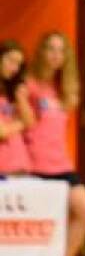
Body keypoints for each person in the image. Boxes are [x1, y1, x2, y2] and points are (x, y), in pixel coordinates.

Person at [24, 32, 85, 256]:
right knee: (38, 225)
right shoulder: (28, 86)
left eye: (61, 50)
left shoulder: (62, 90)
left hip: (61, 164)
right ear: (41, 52)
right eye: (51, 49)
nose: (55, 55)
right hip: (35, 164)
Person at [0, 41, 34, 178]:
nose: (14, 68)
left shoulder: (9, 92)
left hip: (20, 163)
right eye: (11, 61)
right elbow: (2, 132)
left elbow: (31, 121)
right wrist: (21, 123)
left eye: (18, 64)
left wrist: (21, 97)